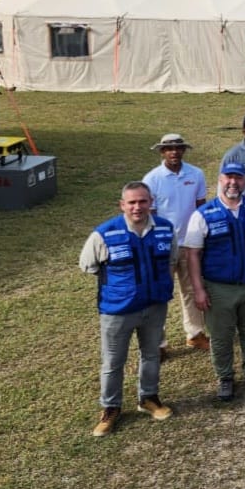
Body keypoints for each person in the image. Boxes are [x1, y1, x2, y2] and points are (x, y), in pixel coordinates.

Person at [80, 182, 176, 436]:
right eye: (131, 202)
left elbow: (172, 260)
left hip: (154, 306)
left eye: (142, 201)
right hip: (117, 311)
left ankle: (149, 398)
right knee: (113, 361)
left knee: (152, 354)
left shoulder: (165, 229)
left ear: (150, 202)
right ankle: (110, 408)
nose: (137, 207)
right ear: (122, 205)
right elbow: (88, 265)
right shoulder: (104, 233)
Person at [184, 163, 245, 401]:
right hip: (218, 287)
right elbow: (193, 254)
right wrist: (199, 290)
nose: (233, 182)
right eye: (228, 178)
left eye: (238, 178)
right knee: (222, 336)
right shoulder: (203, 214)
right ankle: (225, 377)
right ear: (220, 180)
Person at [142, 133, 208, 359]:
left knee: (191, 290)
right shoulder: (152, 179)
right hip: (164, 246)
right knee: (161, 294)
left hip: (190, 243)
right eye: (168, 148)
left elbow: (201, 208)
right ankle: (158, 343)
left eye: (178, 148)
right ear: (162, 152)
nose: (174, 152)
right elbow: (150, 216)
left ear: (184, 150)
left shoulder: (196, 174)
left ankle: (195, 333)